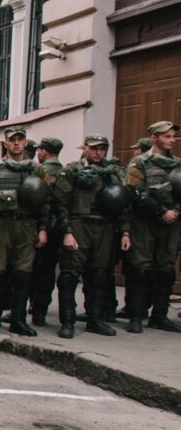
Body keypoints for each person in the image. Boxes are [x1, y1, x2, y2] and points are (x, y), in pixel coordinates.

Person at [0, 126, 49, 337]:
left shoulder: (37, 170)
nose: (16, 143)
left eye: (20, 139)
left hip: (27, 226)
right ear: (5, 143)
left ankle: (18, 320)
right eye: (12, 140)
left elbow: (45, 201)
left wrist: (42, 229)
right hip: (2, 225)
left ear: (26, 143)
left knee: (23, 275)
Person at [52, 135, 128, 337]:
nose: (98, 152)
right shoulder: (72, 170)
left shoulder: (113, 173)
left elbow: (122, 204)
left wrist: (125, 232)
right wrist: (67, 232)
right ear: (85, 148)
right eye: (94, 148)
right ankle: (67, 321)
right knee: (69, 275)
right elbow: (60, 204)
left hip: (105, 226)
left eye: (102, 148)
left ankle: (95, 319)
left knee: (99, 275)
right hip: (79, 223)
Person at [123, 121, 181, 333]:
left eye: (173, 136)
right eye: (167, 136)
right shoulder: (139, 163)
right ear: (155, 138)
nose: (172, 140)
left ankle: (159, 315)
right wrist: (161, 211)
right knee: (141, 268)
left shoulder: (177, 164)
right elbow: (134, 192)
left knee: (166, 269)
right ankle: (136, 316)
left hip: (172, 224)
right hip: (145, 222)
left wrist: (175, 211)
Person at [29, 137, 66, 325]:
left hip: (40, 226)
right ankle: (41, 309)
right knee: (49, 270)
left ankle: (36, 309)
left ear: (43, 152)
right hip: (60, 227)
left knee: (36, 269)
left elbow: (36, 200)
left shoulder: (40, 173)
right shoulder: (66, 171)